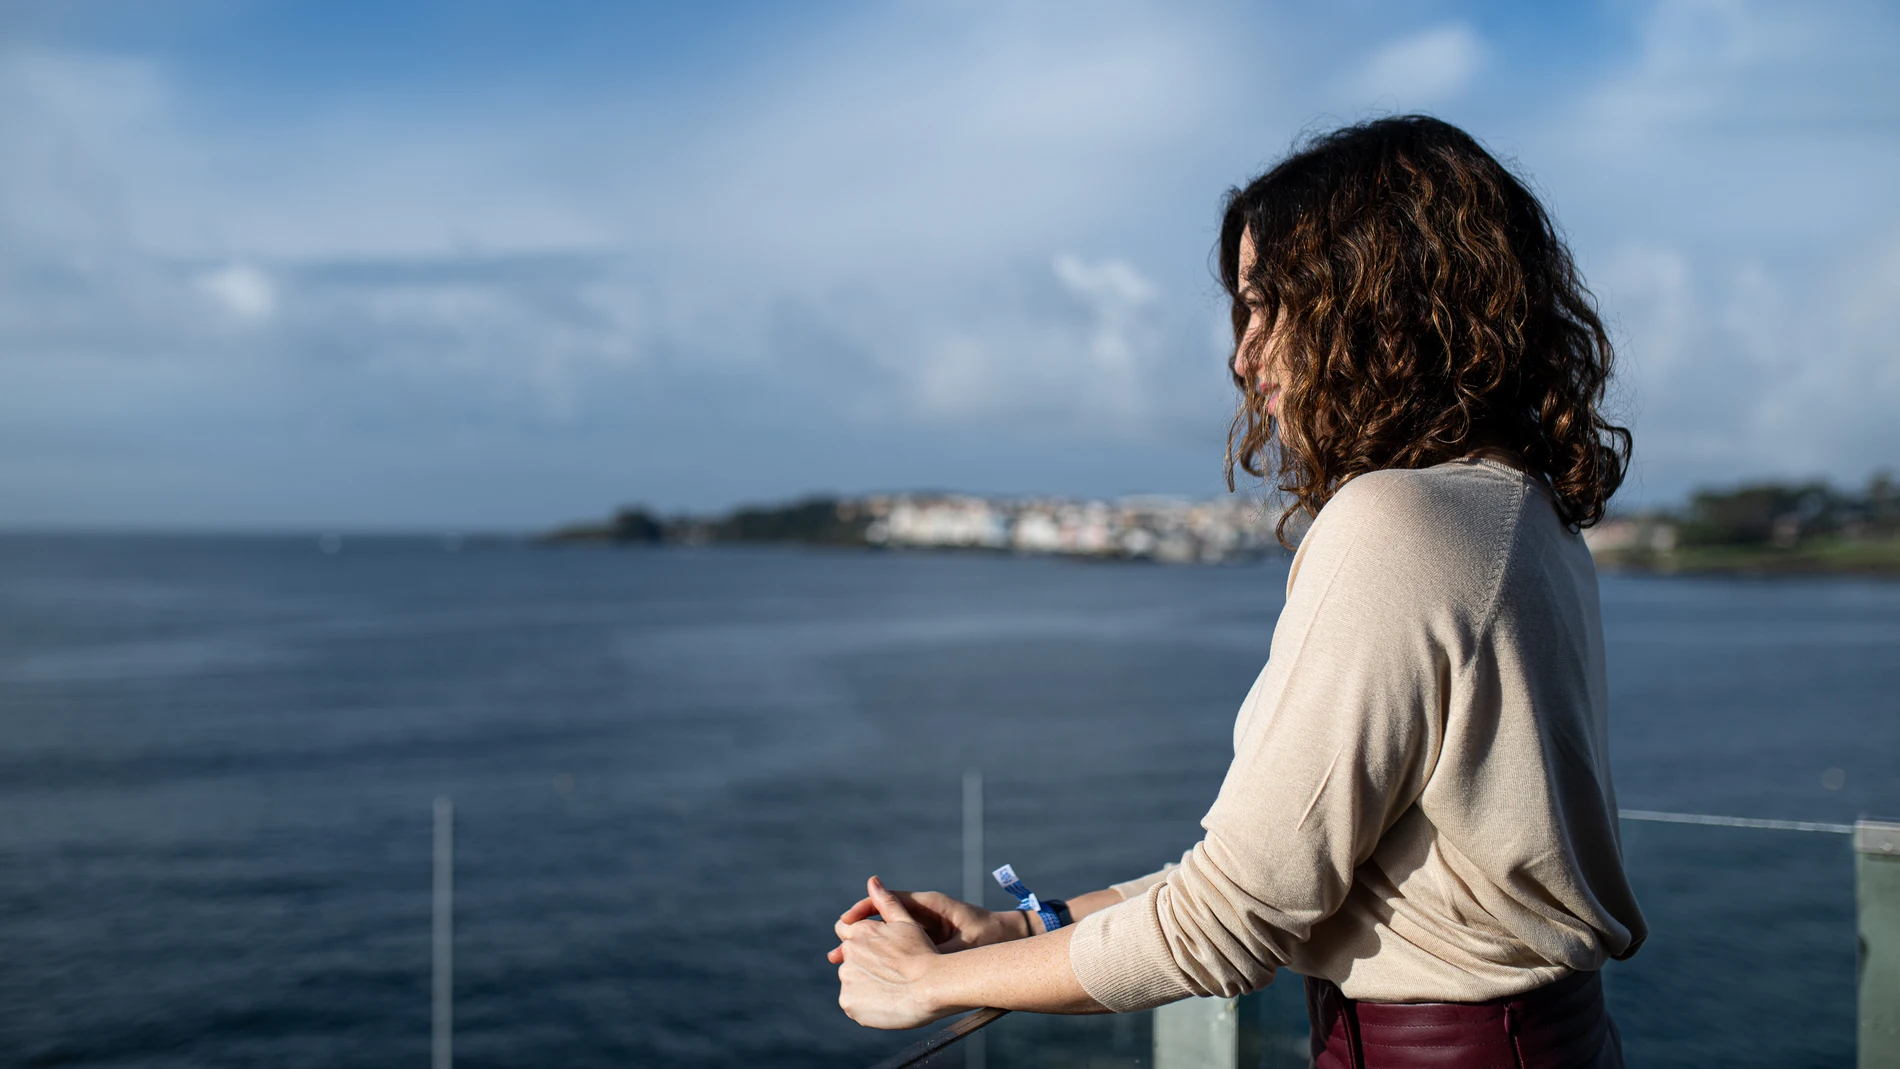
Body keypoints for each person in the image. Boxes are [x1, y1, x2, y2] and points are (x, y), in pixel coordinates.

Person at [828, 115, 1646, 1069]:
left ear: (1375, 302)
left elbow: (1230, 919)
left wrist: (926, 982)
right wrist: (1022, 932)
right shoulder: (1522, 514)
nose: (1244, 353)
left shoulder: (1395, 524)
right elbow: (1273, 877)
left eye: (1269, 306)